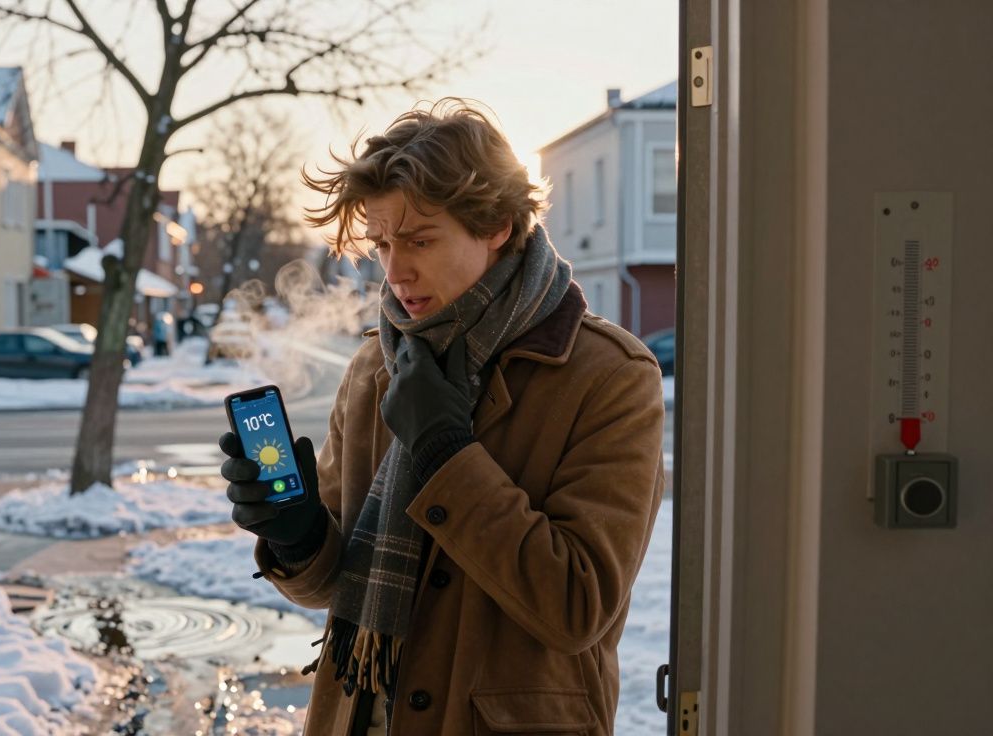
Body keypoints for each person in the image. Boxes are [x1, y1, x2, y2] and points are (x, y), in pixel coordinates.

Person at [219, 99, 665, 736]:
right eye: (381, 244)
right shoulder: (377, 366)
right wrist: (297, 535)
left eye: (421, 240)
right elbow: (333, 581)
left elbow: (577, 604)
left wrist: (445, 450)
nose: (396, 272)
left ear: (499, 226)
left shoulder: (610, 376)